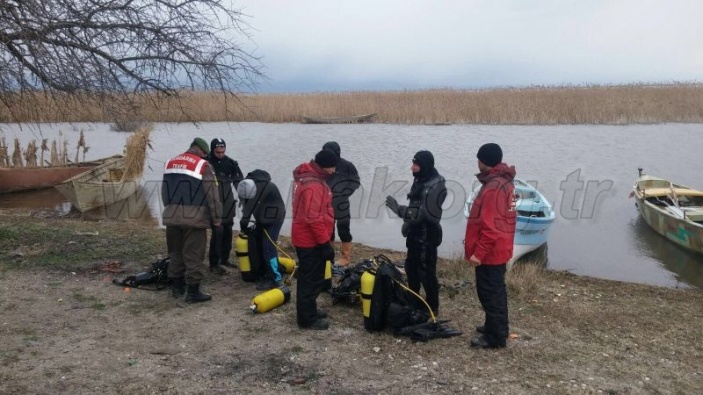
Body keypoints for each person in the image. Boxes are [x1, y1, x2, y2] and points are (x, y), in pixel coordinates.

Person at [464, 143, 517, 349]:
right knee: (496, 291)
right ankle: (495, 327)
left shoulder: (494, 187)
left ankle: (495, 338)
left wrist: (479, 253)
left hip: (492, 252)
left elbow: (491, 227)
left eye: (478, 159)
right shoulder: (503, 181)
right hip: (500, 247)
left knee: (490, 293)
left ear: (484, 161)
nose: (477, 162)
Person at [385, 150, 446, 316]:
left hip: (427, 236)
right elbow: (415, 204)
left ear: (424, 166)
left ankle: (432, 305)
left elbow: (425, 214)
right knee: (411, 267)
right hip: (414, 232)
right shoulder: (420, 179)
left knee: (426, 271)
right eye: (413, 163)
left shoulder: (436, 185)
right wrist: (407, 223)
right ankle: (414, 299)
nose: (412, 167)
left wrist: (401, 211)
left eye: (416, 165)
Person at [162, 137, 222, 303]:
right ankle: (193, 292)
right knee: (193, 255)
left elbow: (164, 193)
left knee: (175, 252)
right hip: (194, 219)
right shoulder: (203, 165)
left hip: (172, 216)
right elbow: (213, 196)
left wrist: (170, 209)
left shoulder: (170, 163)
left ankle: (176, 287)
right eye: (205, 154)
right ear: (202, 151)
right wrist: (216, 219)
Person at [291, 149, 338, 330]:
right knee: (310, 279)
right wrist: (324, 243)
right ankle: (307, 319)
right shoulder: (313, 185)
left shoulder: (311, 178)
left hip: (307, 237)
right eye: (332, 167)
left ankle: (309, 310)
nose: (334, 171)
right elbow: (313, 218)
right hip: (309, 241)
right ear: (323, 166)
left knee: (311, 277)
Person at [237, 169, 287, 291]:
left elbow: (248, 211)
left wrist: (243, 226)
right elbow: (245, 205)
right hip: (263, 217)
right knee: (259, 243)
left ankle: (274, 278)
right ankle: (266, 269)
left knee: (268, 247)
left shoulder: (262, 187)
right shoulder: (247, 185)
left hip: (274, 219)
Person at [207, 138, 243, 274]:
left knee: (228, 230)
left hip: (228, 201)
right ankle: (213, 263)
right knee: (218, 231)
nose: (220, 154)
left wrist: (243, 197)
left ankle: (224, 259)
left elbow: (239, 182)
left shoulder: (231, 163)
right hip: (214, 202)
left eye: (223, 151)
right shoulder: (206, 162)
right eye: (217, 152)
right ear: (212, 150)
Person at [322, 141, 360, 266]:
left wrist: (345, 193)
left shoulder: (347, 166)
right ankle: (329, 256)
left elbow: (356, 182)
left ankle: (346, 257)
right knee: (328, 231)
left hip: (342, 203)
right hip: (325, 203)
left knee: (344, 230)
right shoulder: (322, 165)